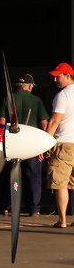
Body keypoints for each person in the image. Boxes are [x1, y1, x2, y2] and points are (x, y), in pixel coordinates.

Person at [0, 74, 49, 216]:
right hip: (30, 143)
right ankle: (33, 209)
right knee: (33, 177)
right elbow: (44, 124)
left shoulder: (8, 99)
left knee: (8, 176)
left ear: (17, 86)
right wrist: (43, 146)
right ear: (30, 87)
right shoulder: (36, 101)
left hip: (11, 143)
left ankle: (4, 207)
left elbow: (0, 123)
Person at [44, 63, 74, 227]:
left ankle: (62, 219)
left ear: (68, 76)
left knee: (61, 183)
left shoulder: (63, 95)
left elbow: (54, 121)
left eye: (59, 76)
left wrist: (45, 143)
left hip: (64, 144)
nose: (55, 79)